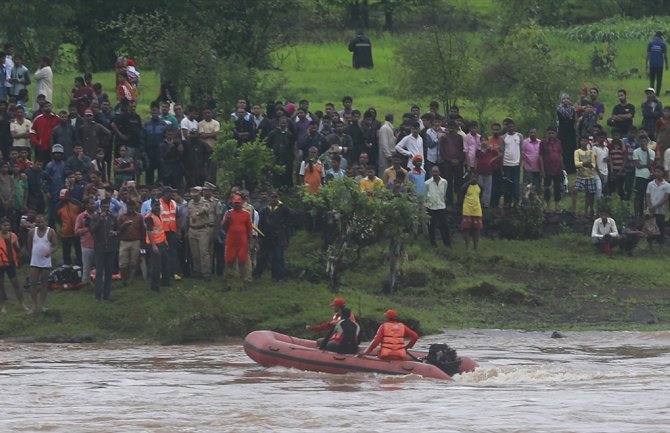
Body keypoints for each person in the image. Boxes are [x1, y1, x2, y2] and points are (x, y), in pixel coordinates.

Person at [255, 192, 293, 282]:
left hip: (279, 236)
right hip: (267, 236)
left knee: (278, 257)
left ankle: (280, 277)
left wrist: (285, 226)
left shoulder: (284, 208)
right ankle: (258, 274)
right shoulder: (264, 210)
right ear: (269, 198)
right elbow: (260, 223)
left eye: (276, 197)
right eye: (272, 197)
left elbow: (292, 217)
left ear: (278, 198)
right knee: (263, 256)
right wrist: (260, 236)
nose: (274, 199)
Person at [222, 194, 253, 291]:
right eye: (235, 203)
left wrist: (250, 242)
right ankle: (228, 284)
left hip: (242, 242)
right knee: (229, 262)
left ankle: (243, 284)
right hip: (231, 242)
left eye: (238, 203)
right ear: (232, 203)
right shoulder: (228, 213)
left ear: (241, 203)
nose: (237, 205)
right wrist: (227, 219)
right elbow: (224, 228)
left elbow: (249, 229)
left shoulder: (246, 214)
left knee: (243, 263)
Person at [90, 199, 119, 301]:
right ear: (100, 207)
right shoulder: (95, 217)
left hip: (110, 249)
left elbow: (118, 230)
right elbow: (92, 230)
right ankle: (98, 296)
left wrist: (115, 233)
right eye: (104, 207)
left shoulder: (113, 217)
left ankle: (107, 295)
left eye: (107, 207)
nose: (105, 209)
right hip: (100, 249)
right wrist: (100, 220)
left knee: (109, 273)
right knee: (99, 273)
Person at [27, 214, 58, 313]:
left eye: (42, 222)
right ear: (36, 223)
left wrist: (50, 252)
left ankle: (42, 305)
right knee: (33, 283)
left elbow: (55, 245)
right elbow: (29, 245)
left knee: (44, 284)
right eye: (38, 222)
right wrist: (31, 255)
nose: (40, 224)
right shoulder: (32, 232)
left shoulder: (51, 231)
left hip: (45, 261)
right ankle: (34, 305)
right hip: (35, 261)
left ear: (46, 222)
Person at [0, 217, 29, 314]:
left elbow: (18, 249)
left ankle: (22, 303)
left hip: (11, 262)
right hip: (1, 263)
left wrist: (16, 246)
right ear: (1, 226)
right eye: (4, 225)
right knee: (1, 285)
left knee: (16, 283)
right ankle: (2, 306)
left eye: (8, 225)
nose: (6, 227)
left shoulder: (13, 236)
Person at [187, 186, 212, 281]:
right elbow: (188, 216)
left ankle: (206, 273)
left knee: (204, 252)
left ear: (200, 194)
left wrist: (197, 214)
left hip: (202, 230)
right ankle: (197, 271)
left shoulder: (205, 202)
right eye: (192, 195)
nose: (194, 197)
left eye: (196, 195)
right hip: (192, 229)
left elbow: (205, 210)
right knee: (195, 253)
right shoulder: (190, 203)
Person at [145, 198, 170, 292]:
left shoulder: (159, 215)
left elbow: (161, 229)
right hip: (155, 244)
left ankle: (165, 282)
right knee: (156, 266)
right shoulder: (149, 217)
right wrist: (154, 245)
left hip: (162, 242)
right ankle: (154, 286)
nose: (157, 207)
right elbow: (149, 232)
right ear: (151, 206)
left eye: (158, 205)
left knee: (165, 263)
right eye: (155, 205)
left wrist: (165, 240)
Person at [117, 199, 143, 286]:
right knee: (122, 263)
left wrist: (142, 243)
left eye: (132, 207)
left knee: (133, 262)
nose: (131, 209)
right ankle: (124, 279)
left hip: (136, 241)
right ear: (127, 207)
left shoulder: (139, 216)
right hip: (124, 241)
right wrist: (123, 225)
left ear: (134, 207)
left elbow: (142, 230)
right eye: (129, 207)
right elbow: (117, 230)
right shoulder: (122, 217)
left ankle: (131, 279)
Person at [424, 165, 451, 247]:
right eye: (433, 172)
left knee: (444, 225)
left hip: (441, 206)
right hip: (431, 207)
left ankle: (447, 244)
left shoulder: (444, 182)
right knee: (431, 226)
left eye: (436, 171)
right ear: (431, 173)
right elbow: (425, 196)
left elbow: (444, 193)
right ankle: (433, 244)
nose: (435, 173)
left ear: (439, 172)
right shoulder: (427, 183)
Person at [645, 167, 670, 247]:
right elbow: (647, 196)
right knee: (650, 228)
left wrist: (655, 206)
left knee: (660, 228)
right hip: (651, 210)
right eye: (655, 171)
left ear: (663, 173)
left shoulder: (667, 185)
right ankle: (650, 245)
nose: (656, 173)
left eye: (658, 171)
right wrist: (650, 207)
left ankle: (661, 246)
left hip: (660, 210)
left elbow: (666, 198)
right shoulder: (650, 184)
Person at [572, 137, 596, 217]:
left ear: (588, 142)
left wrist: (583, 164)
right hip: (580, 176)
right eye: (582, 140)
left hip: (590, 176)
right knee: (575, 190)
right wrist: (585, 163)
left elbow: (593, 164)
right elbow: (576, 164)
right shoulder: (577, 151)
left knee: (590, 194)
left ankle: (586, 211)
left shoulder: (591, 152)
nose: (583, 142)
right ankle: (574, 210)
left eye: (585, 141)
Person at [461, 172, 483, 250]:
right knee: (466, 228)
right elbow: (461, 195)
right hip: (467, 209)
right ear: (470, 178)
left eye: (476, 177)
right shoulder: (465, 186)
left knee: (477, 229)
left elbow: (480, 196)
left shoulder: (480, 186)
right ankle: (467, 247)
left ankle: (475, 247)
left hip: (477, 209)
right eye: (472, 177)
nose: (474, 179)